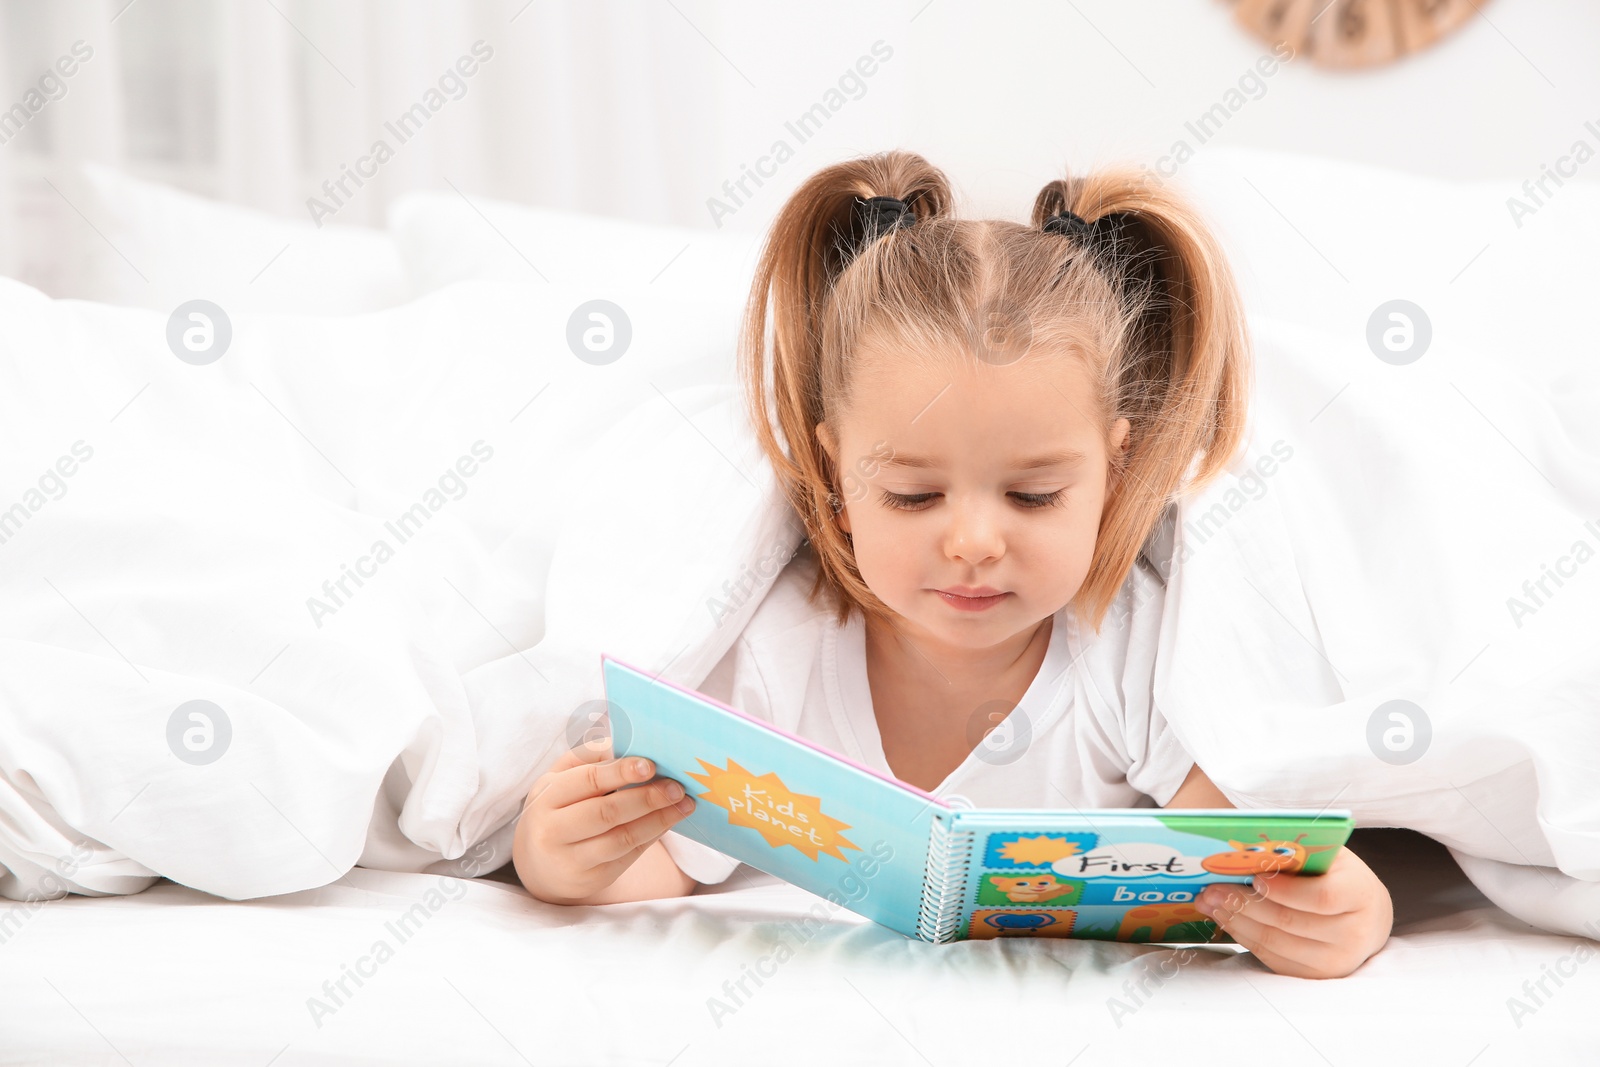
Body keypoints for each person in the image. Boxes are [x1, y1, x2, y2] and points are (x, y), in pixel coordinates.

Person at [512, 150, 1392, 979]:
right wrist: (563, 858)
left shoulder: (1134, 651)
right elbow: (667, 862)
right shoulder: (780, 649)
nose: (973, 541)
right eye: (912, 494)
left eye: (1034, 495)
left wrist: (1346, 914)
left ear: (1114, 471)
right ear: (833, 471)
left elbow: (1242, 865)